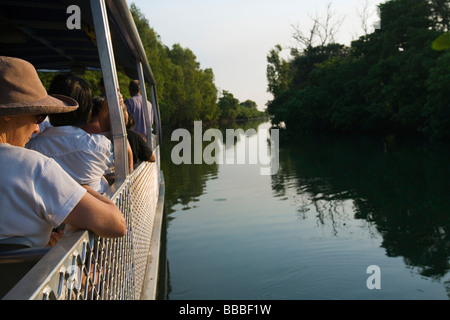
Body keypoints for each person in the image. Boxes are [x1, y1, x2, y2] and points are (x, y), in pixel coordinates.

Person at [0, 56, 126, 249]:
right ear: (8, 113)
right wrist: (80, 187)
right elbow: (117, 224)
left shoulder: (34, 149)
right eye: (38, 115)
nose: (36, 128)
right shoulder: (33, 166)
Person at [26, 73, 114, 194]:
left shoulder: (31, 146)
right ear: (87, 109)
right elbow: (121, 159)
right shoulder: (98, 146)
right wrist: (105, 123)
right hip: (92, 210)